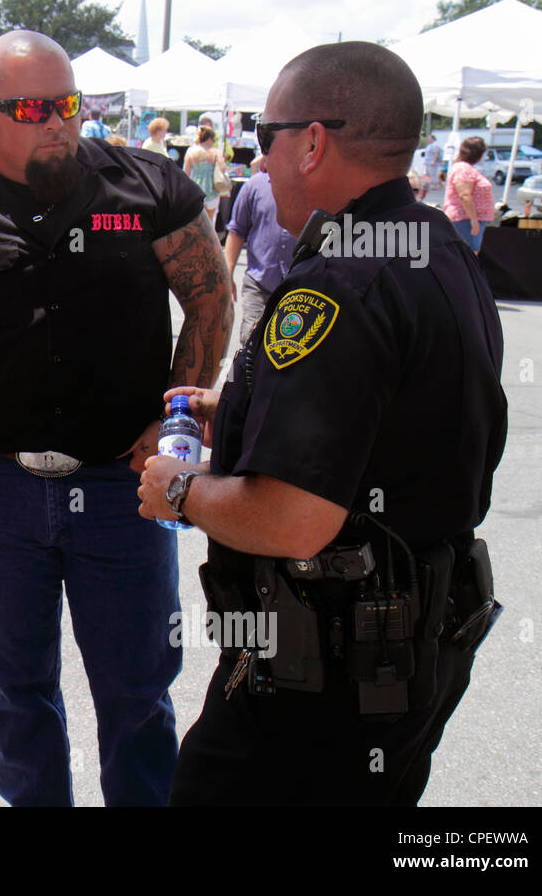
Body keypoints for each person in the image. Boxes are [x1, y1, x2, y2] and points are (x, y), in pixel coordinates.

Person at [138, 41, 507, 805]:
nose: (257, 163)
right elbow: (392, 421)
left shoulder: (337, 282)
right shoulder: (436, 246)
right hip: (408, 656)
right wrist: (237, 412)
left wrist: (179, 491)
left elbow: (296, 518)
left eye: (262, 137)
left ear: (311, 141)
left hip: (320, 679)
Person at [0, 30, 233, 806]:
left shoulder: (147, 188)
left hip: (122, 489)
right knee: (16, 693)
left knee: (138, 696)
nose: (60, 122)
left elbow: (210, 296)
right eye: (35, 108)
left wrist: (176, 420)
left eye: (68, 104)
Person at [224, 161, 295, 344]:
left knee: (288, 346)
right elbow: (237, 231)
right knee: (250, 340)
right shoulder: (254, 186)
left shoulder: (310, 185)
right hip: (258, 283)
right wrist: (227, 274)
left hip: (297, 287)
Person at [444, 137, 496, 252]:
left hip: (468, 219)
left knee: (468, 256)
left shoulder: (464, 168)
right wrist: (473, 220)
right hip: (465, 220)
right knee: (467, 255)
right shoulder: (463, 169)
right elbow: (464, 195)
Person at [184, 126, 225, 225]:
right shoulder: (215, 152)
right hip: (212, 190)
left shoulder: (190, 152)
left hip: (196, 190)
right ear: (210, 139)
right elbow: (222, 168)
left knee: (195, 223)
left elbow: (186, 174)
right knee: (210, 223)